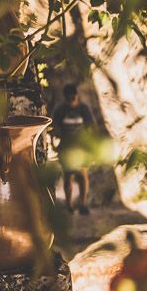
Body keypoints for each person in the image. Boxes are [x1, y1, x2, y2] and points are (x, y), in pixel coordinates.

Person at [52, 83, 94, 215]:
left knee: (83, 175)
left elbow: (91, 127)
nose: (72, 99)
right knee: (68, 176)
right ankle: (69, 205)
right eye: (69, 97)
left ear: (77, 96)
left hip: (81, 149)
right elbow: (54, 128)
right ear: (65, 97)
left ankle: (83, 204)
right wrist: (55, 144)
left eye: (74, 96)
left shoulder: (83, 109)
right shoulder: (60, 110)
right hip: (66, 148)